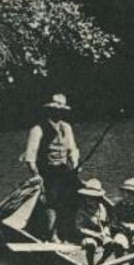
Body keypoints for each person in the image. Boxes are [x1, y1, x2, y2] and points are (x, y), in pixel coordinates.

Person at [23, 93, 80, 240]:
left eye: (61, 111)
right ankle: (52, 234)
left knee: (78, 194)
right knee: (52, 198)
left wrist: (74, 164)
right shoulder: (38, 129)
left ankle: (71, 231)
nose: (58, 113)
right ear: (49, 110)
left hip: (64, 172)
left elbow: (73, 150)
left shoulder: (66, 128)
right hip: (46, 173)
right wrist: (36, 176)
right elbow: (30, 158)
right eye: (55, 110)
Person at [73, 178, 124, 265]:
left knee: (112, 244)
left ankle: (102, 261)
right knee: (91, 244)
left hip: (101, 235)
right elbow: (79, 228)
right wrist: (95, 235)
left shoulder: (102, 209)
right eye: (88, 197)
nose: (90, 200)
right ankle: (90, 264)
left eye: (93, 198)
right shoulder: (81, 211)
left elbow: (108, 222)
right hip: (87, 236)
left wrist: (105, 231)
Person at [111, 177, 134, 256]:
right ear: (123, 193)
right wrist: (123, 226)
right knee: (119, 243)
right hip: (122, 233)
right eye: (126, 193)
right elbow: (113, 223)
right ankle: (119, 263)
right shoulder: (117, 207)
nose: (128, 196)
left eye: (132, 194)